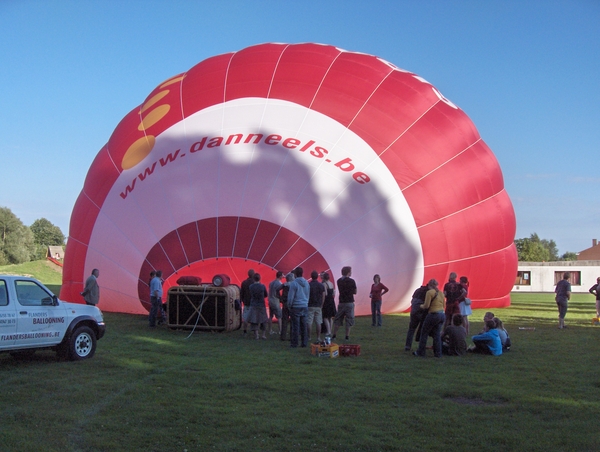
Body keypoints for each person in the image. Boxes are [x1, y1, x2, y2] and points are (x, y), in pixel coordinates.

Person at [413, 279, 445, 358]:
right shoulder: (441, 293)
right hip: (442, 315)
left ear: (429, 285)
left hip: (433, 314)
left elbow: (426, 306)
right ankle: (438, 353)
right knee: (436, 334)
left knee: (424, 333)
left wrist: (420, 306)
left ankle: (421, 351)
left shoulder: (429, 292)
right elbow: (444, 305)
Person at [287, 267, 310, 348]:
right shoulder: (307, 283)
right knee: (304, 325)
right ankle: (304, 343)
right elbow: (308, 294)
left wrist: (289, 305)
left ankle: (295, 343)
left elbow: (291, 296)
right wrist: (306, 302)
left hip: (296, 306)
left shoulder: (294, 283)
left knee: (295, 326)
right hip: (304, 305)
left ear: (295, 274)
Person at [332, 266, 357, 341]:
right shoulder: (352, 281)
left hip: (341, 302)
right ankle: (347, 336)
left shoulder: (339, 281)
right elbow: (355, 292)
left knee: (338, 319)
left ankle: (334, 335)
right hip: (349, 302)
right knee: (349, 320)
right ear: (348, 272)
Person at [404, 283, 429, 351]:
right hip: (421, 312)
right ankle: (421, 346)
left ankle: (407, 346)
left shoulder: (418, 290)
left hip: (414, 312)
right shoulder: (428, 292)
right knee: (423, 329)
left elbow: (412, 299)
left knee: (411, 329)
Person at [248, 273, 269, 340]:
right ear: (259, 278)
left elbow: (250, 294)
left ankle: (256, 335)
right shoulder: (262, 286)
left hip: (253, 305)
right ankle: (263, 335)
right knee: (263, 320)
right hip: (261, 305)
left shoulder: (251, 286)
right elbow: (266, 294)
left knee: (254, 320)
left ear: (253, 279)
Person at [307, 270, 325, 343]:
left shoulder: (308, 285)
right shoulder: (321, 285)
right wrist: (322, 304)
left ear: (311, 277)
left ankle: (309, 337)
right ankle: (318, 337)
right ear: (317, 277)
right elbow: (323, 296)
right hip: (318, 305)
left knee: (309, 322)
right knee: (318, 322)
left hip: (310, 305)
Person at [279, 272, 294, 341]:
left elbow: (277, 289)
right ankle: (291, 336)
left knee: (284, 320)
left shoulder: (284, 285)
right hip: (292, 304)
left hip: (285, 303)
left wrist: (280, 298)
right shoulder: (294, 285)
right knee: (292, 321)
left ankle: (283, 336)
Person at [320, 272, 336, 336]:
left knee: (325, 317)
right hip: (331, 301)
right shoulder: (331, 283)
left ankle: (328, 331)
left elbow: (325, 294)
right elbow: (333, 293)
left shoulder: (324, 284)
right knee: (330, 317)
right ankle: (330, 330)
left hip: (326, 301)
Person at [240, 269, 255, 335]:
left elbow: (241, 293)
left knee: (245, 318)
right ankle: (255, 332)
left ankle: (245, 331)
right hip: (254, 303)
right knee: (254, 318)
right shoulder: (255, 283)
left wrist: (242, 300)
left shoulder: (244, 282)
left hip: (246, 302)